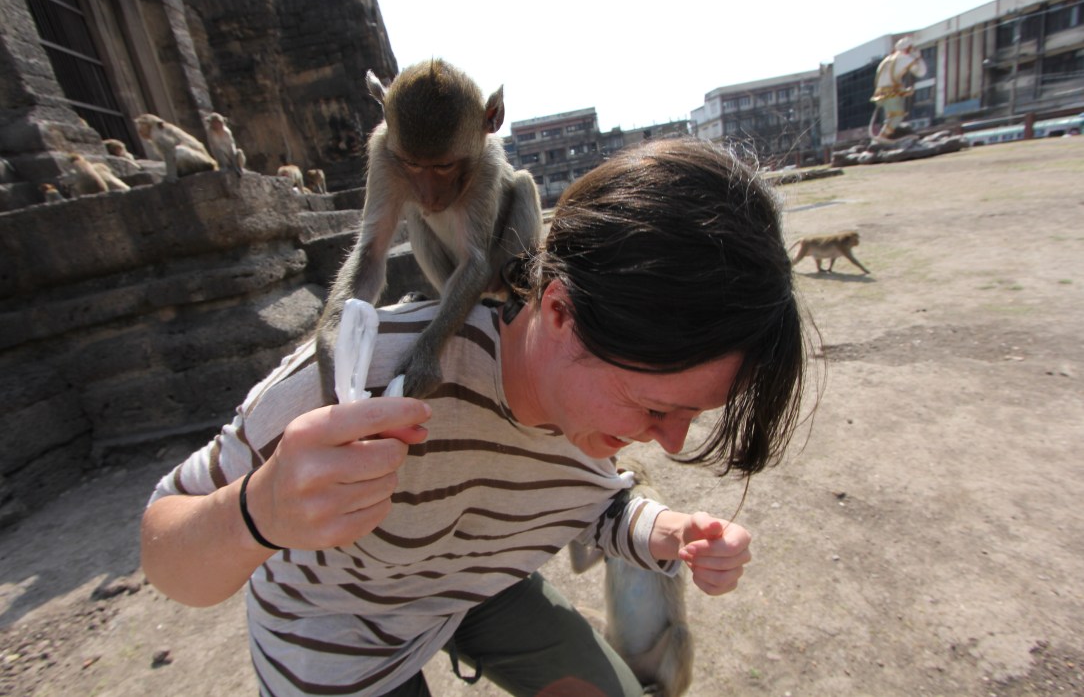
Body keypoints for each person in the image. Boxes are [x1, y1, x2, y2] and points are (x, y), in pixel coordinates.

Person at [141, 135, 808, 696]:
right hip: (342, 637)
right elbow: (163, 542)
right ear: (557, 313)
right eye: (657, 408)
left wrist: (671, 530)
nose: (667, 440)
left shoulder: (591, 414)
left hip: (477, 590)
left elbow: (593, 502)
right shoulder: (365, 377)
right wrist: (261, 510)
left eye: (692, 414)